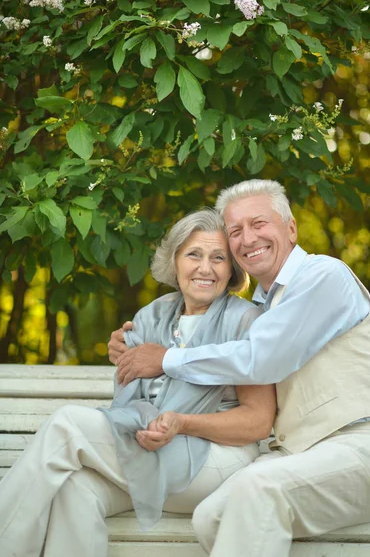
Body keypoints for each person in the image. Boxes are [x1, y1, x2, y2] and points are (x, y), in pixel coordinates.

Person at [109, 179, 370, 557]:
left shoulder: (323, 276)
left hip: (363, 449)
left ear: (291, 228)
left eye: (259, 223)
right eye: (235, 231)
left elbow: (261, 359)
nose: (247, 238)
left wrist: (164, 358)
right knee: (210, 516)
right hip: (294, 457)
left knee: (256, 489)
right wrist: (130, 345)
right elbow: (207, 340)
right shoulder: (261, 310)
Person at [0, 208, 276, 557]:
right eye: (194, 254)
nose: (206, 268)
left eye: (218, 258)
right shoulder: (153, 316)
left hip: (216, 461)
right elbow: (126, 402)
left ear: (232, 268)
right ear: (174, 261)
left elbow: (258, 421)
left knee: (67, 425)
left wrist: (181, 423)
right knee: (77, 489)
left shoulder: (246, 321)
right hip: (151, 446)